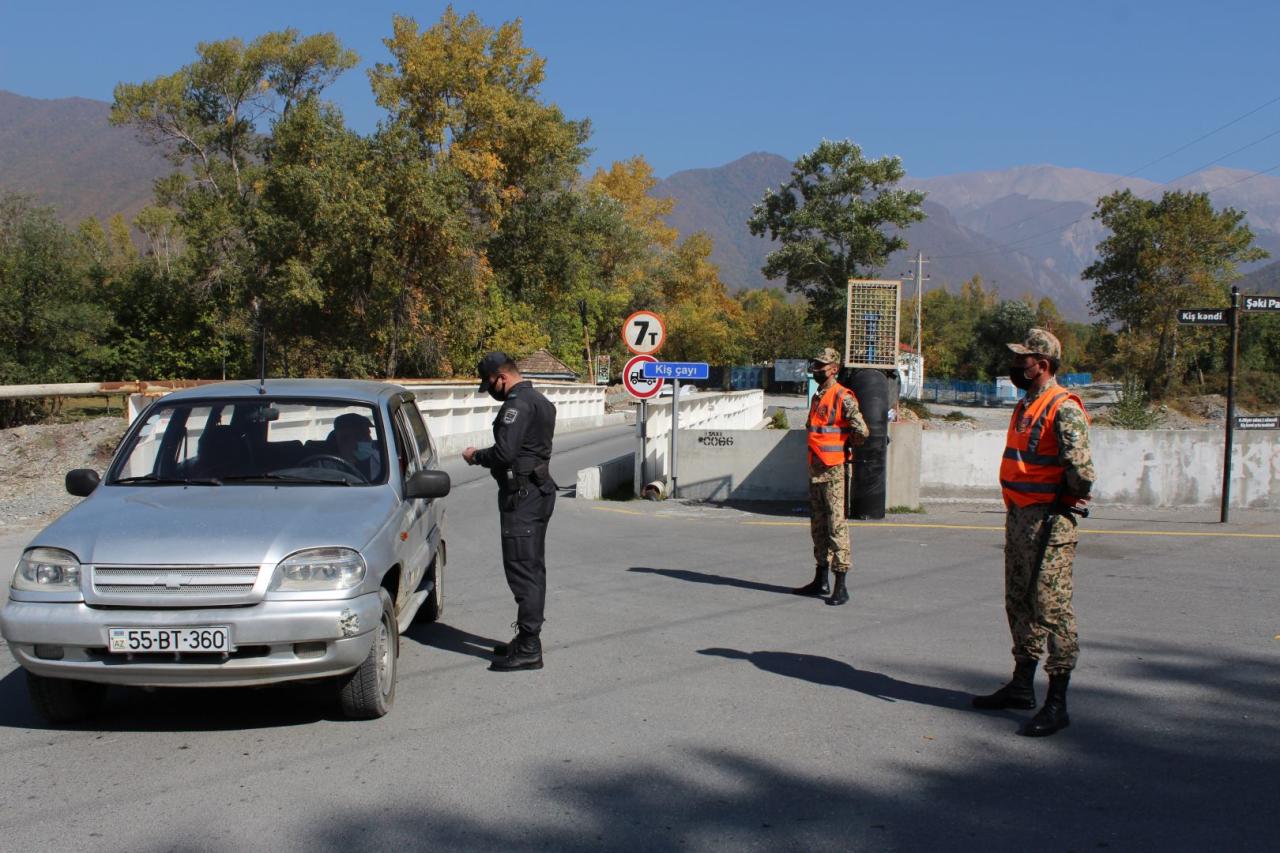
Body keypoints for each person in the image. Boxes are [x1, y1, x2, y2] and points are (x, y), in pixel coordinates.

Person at [972, 328, 1094, 737]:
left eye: (1023, 359)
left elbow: (1082, 472)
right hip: (1020, 518)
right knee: (1019, 599)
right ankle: (1022, 684)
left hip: (1049, 522)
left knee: (1052, 608)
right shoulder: (1027, 404)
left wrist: (1065, 500)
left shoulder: (1063, 407)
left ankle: (1057, 701)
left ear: (1041, 364)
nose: (1017, 365)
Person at [463, 352, 558, 672]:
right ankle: (527, 639)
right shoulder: (541, 400)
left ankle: (530, 646)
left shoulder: (516, 405)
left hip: (523, 496)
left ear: (501, 378)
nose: (490, 391)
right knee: (532, 567)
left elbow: (504, 454)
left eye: (489, 384)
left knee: (523, 570)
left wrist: (476, 455)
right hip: (537, 491)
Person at [793, 347, 869, 606]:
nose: (817, 370)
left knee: (837, 527)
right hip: (816, 470)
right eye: (815, 365)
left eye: (822, 366)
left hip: (834, 470)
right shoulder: (818, 395)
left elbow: (861, 430)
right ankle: (820, 578)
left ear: (834, 368)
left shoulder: (843, 396)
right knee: (818, 528)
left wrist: (847, 445)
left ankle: (841, 585)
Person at [330, 413, 381, 482]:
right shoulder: (324, 465)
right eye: (362, 435)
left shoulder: (380, 460)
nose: (369, 439)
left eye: (368, 434)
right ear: (343, 438)